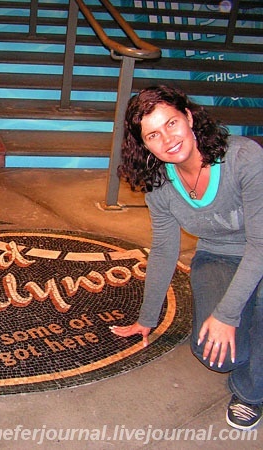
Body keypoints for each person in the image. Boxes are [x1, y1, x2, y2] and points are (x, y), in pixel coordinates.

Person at [111, 84, 263, 431]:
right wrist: (147, 317)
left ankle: (249, 394)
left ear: (189, 118)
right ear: (144, 145)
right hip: (218, 256)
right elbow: (165, 248)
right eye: (152, 135)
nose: (167, 139)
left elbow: (259, 245)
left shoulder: (243, 157)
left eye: (172, 123)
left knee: (245, 321)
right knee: (221, 354)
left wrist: (226, 314)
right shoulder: (159, 183)